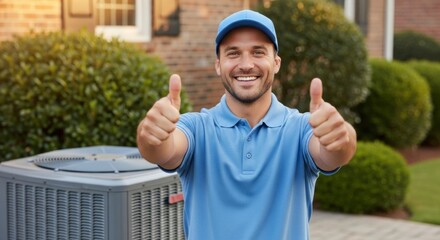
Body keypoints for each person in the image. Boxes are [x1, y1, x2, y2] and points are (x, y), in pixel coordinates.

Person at [137, 9, 356, 240]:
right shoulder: (197, 128)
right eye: (233, 53)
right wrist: (151, 134)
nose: (246, 64)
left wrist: (342, 137)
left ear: (276, 62)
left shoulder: (301, 128)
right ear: (218, 65)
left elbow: (334, 153)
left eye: (258, 52)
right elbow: (162, 149)